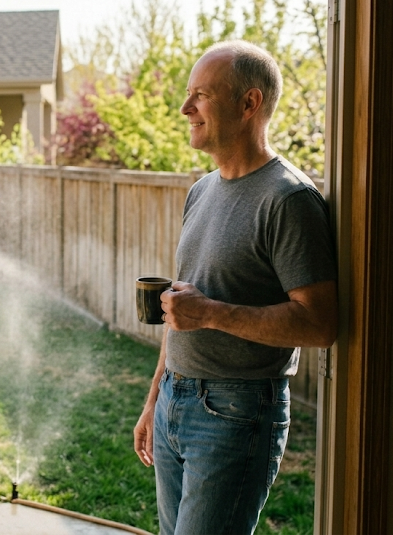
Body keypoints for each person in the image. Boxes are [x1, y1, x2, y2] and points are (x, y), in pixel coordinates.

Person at [132, 40, 338, 534]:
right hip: (176, 401)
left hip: (236, 414)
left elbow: (319, 323)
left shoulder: (288, 199)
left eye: (200, 95)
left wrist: (211, 314)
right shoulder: (202, 190)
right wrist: (156, 397)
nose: (186, 109)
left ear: (249, 104)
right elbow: (184, 307)